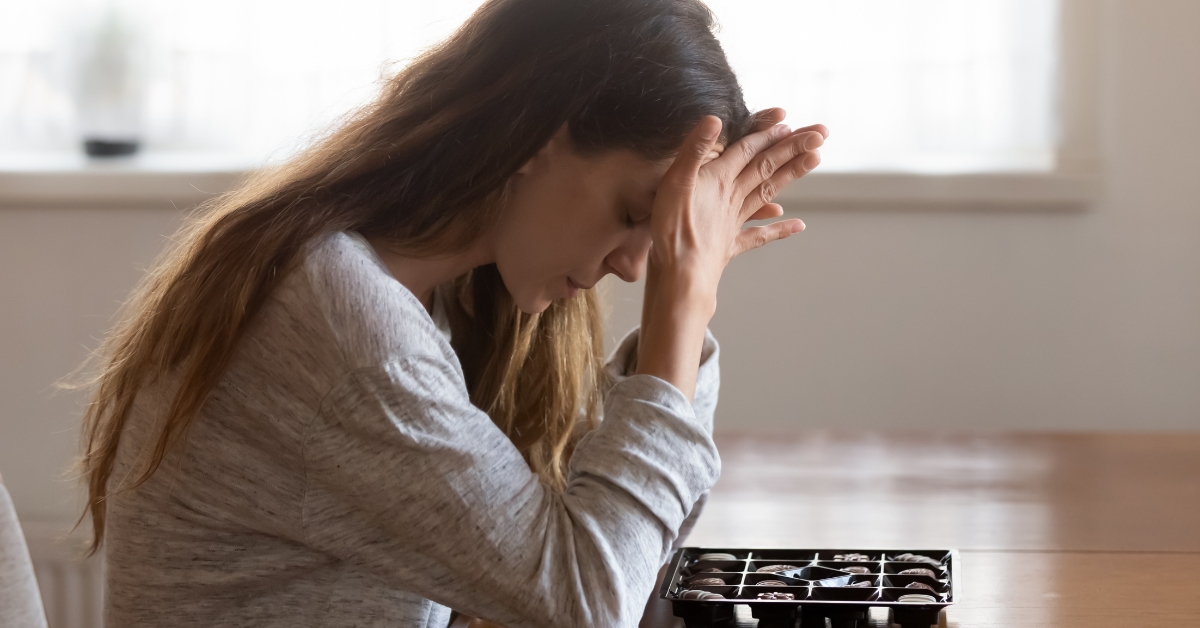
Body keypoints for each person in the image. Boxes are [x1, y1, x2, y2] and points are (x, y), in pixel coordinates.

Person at [76, 0, 826, 626]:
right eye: (635, 212)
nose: (636, 266)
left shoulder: (443, 293)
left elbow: (627, 550)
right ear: (538, 133)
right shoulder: (345, 326)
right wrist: (681, 307)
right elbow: (588, 601)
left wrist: (684, 322)